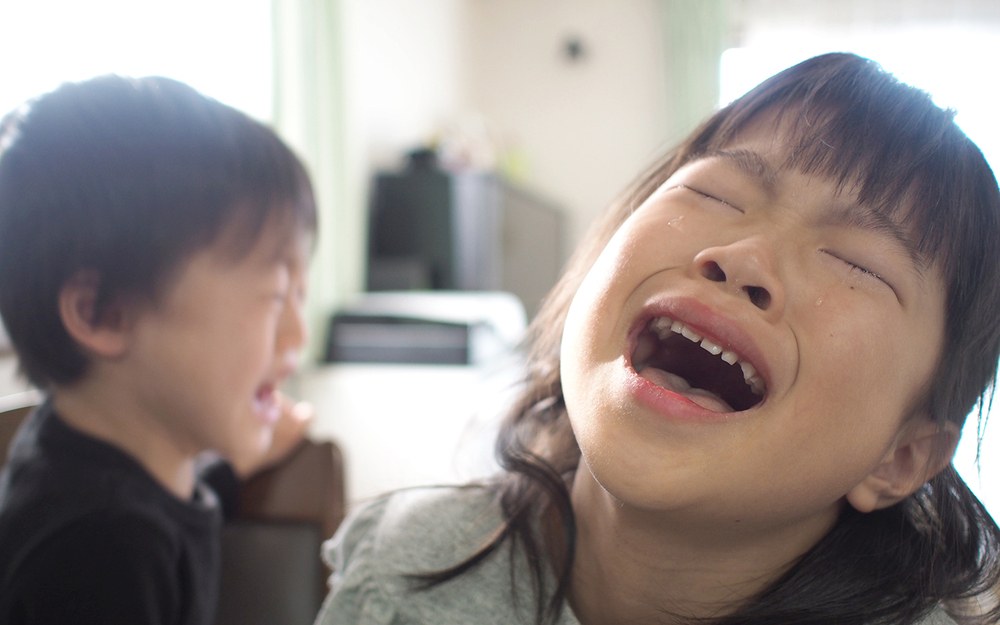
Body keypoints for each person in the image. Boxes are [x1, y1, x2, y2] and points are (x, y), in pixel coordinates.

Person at [315, 53, 1000, 625]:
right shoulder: (401, 575)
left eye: (854, 262)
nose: (743, 255)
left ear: (902, 455)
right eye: (717, 195)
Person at [0, 75, 316, 624]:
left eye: (300, 297)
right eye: (273, 297)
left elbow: (168, 497)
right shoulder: (100, 552)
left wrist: (239, 461)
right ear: (103, 313)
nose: (298, 336)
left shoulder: (87, 459)